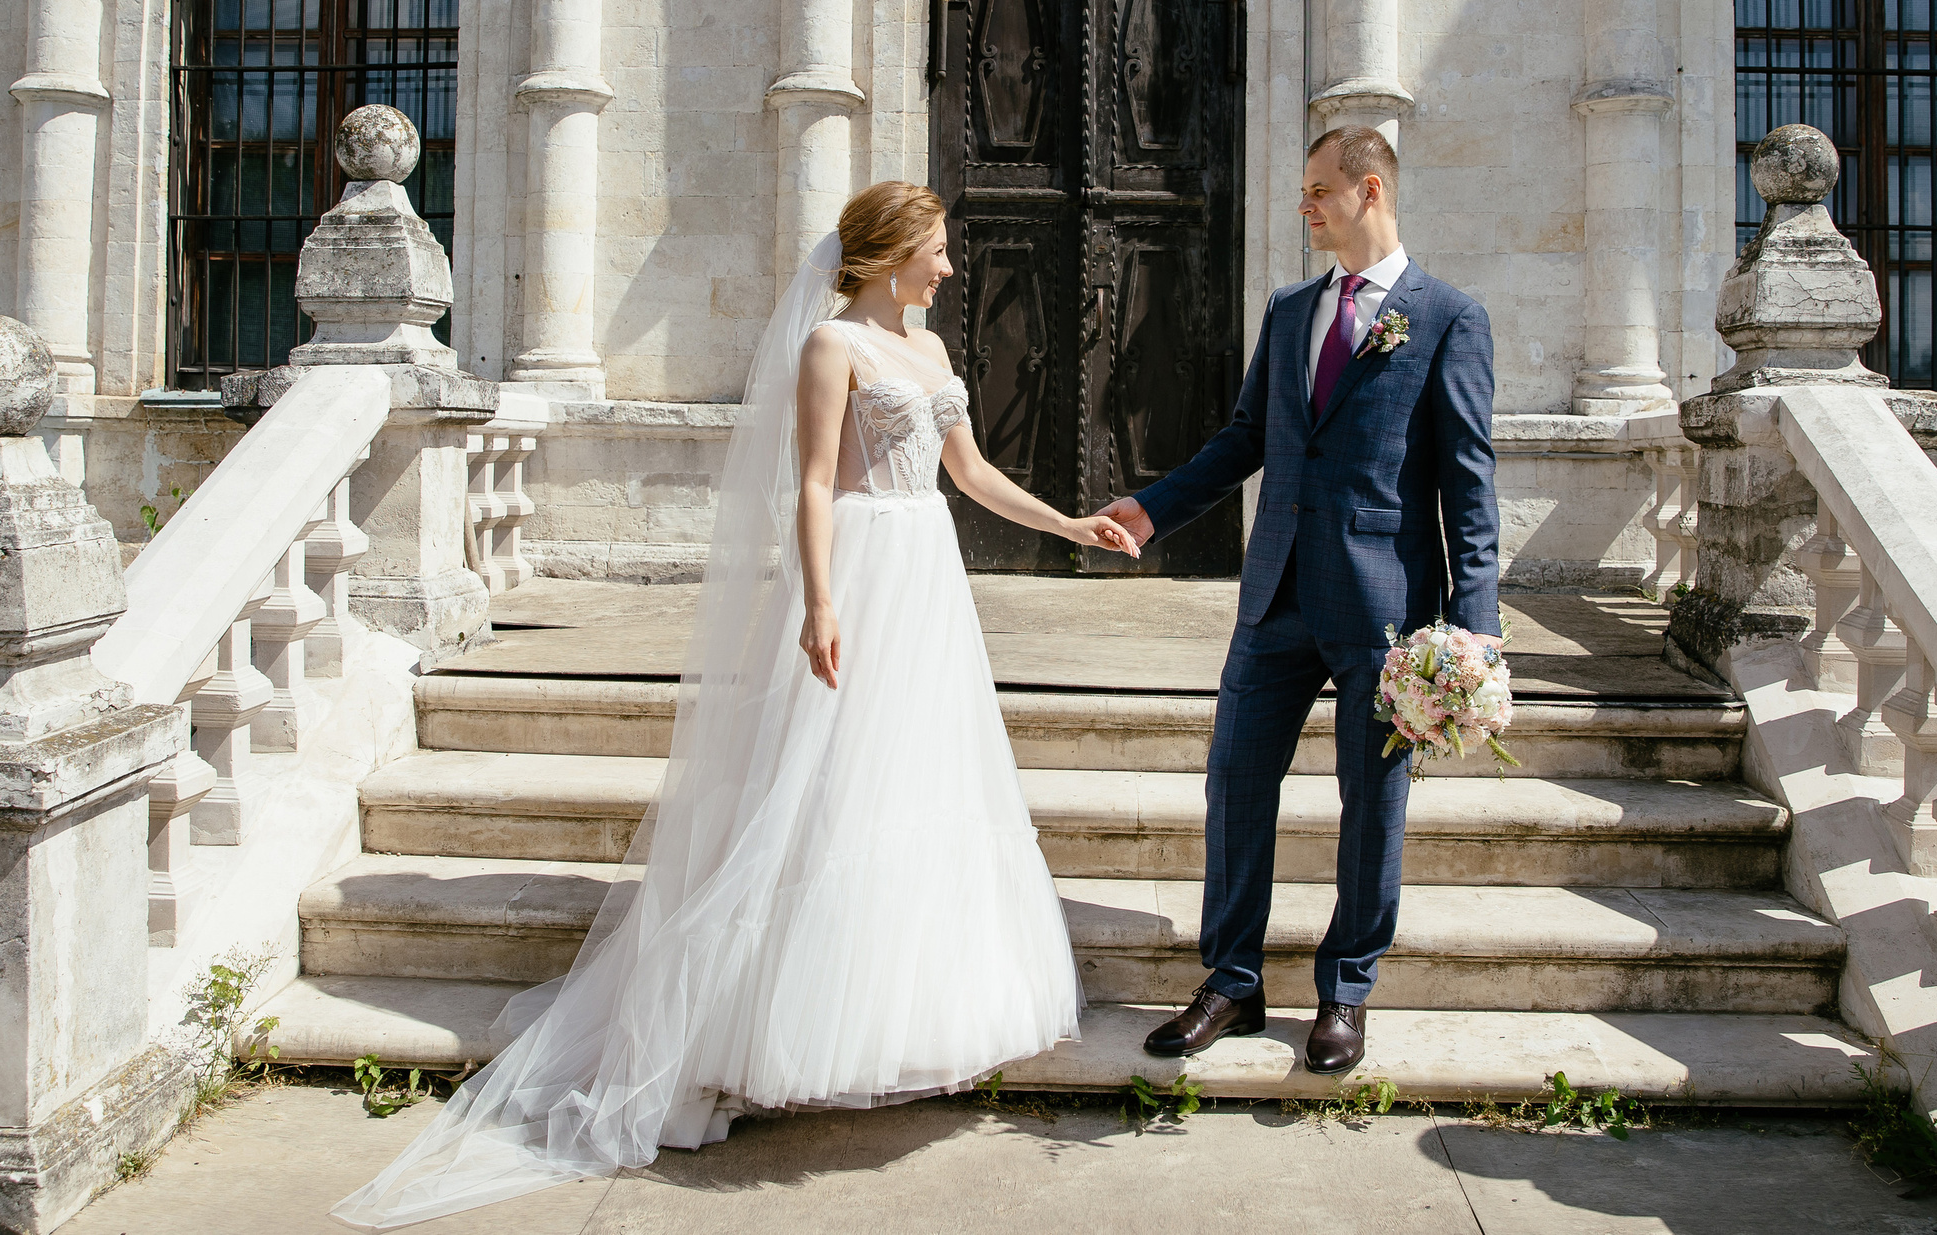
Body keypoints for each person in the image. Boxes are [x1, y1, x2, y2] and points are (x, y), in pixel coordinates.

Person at [334, 181, 1137, 1228]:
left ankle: (905, 1013)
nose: (947, 267)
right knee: (820, 784)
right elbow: (808, 484)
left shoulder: (933, 354)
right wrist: (817, 599)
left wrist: (1072, 525)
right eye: (935, 250)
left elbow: (971, 474)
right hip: (859, 565)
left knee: (915, 778)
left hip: (926, 575)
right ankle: (759, 1025)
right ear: (890, 253)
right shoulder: (830, 349)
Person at [1104, 126, 1501, 1077]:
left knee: (1373, 801)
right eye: (1302, 190)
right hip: (1275, 586)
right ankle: (1233, 980)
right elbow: (1247, 438)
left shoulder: (1448, 316)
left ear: (1371, 190)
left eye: (1319, 189)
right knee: (1236, 780)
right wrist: (1150, 509)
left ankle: (1346, 990)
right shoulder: (1289, 312)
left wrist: (1477, 631)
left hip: (1385, 606)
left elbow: (1470, 484)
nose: (1305, 205)